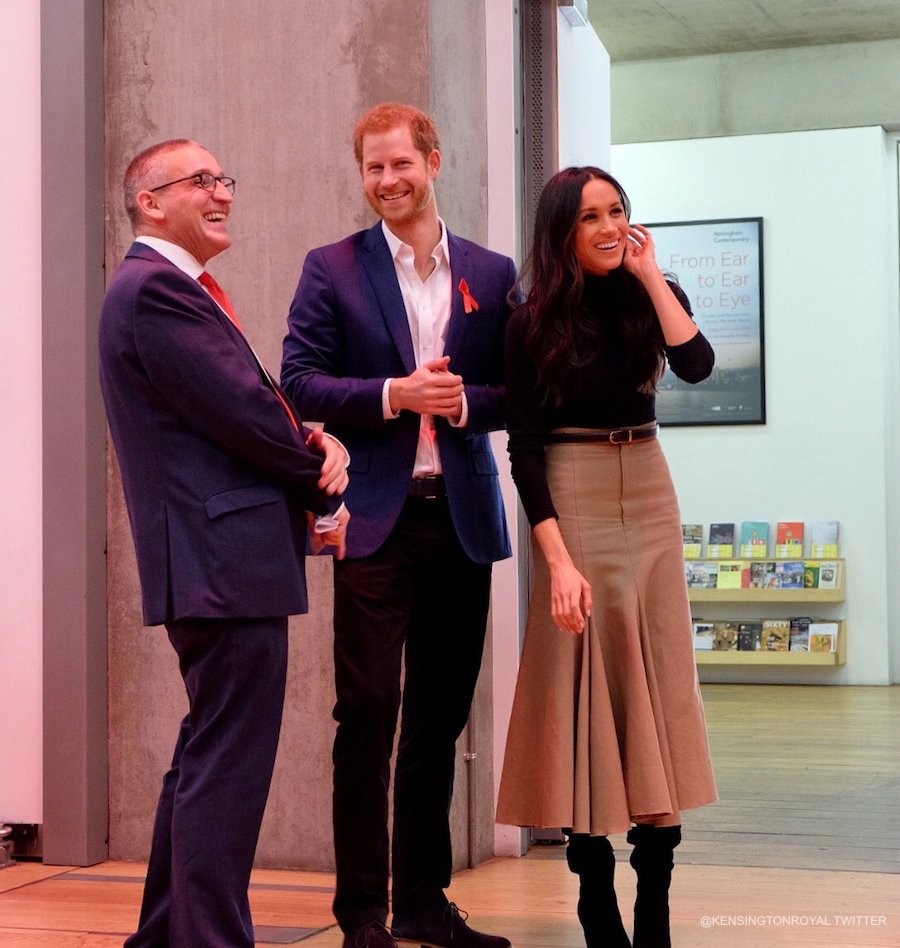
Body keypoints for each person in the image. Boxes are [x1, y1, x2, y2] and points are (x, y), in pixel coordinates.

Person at [99, 138, 350, 947]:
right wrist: (320, 470)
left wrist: (308, 434)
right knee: (227, 771)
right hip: (221, 564)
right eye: (201, 181)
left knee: (209, 756)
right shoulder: (156, 292)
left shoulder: (172, 291)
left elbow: (244, 408)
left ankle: (167, 934)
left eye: (223, 180)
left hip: (219, 562)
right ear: (150, 200)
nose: (223, 194)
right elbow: (242, 413)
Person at [282, 103, 515, 948]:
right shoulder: (331, 267)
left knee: (439, 719)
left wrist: (462, 401)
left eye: (400, 165)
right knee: (369, 712)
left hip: (458, 519)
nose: (387, 181)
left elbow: (520, 392)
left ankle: (422, 902)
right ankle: (360, 916)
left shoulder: (491, 270)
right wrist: (394, 394)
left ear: (434, 162)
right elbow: (298, 381)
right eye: (373, 169)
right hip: (374, 522)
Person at [496, 166, 718, 948]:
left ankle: (653, 900)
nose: (607, 226)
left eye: (617, 211)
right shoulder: (528, 323)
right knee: (583, 690)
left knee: (653, 683)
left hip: (650, 485)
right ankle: (595, 896)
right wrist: (555, 559)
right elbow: (523, 450)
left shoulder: (647, 295)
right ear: (561, 230)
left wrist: (651, 274)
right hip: (575, 487)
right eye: (590, 216)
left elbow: (695, 365)